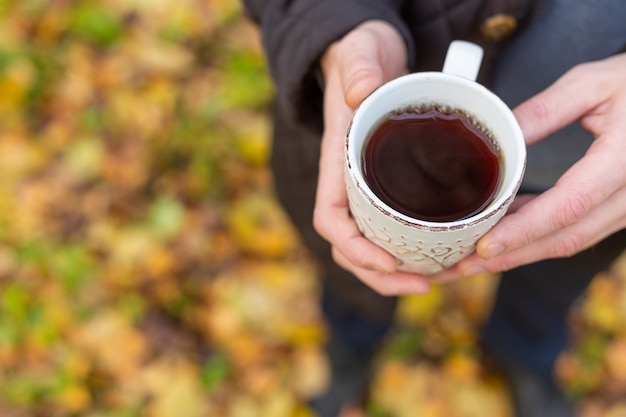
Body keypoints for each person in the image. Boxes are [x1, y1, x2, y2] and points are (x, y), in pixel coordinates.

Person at [241, 0, 626, 416]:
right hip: (370, 88)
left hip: (611, 183)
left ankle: (523, 356)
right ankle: (349, 357)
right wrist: (340, 24)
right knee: (356, 275)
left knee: (552, 284)